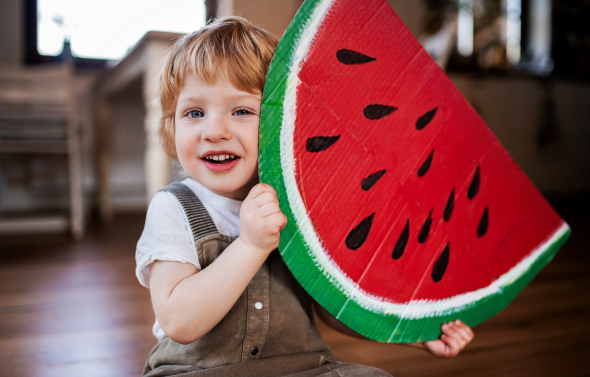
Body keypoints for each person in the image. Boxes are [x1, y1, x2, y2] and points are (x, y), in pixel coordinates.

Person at [135, 16, 474, 377]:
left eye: (242, 111)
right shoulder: (174, 207)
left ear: (281, 121)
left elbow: (331, 310)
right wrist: (250, 246)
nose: (215, 131)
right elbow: (179, 321)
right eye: (195, 113)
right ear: (172, 126)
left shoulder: (300, 202)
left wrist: (411, 335)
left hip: (301, 367)